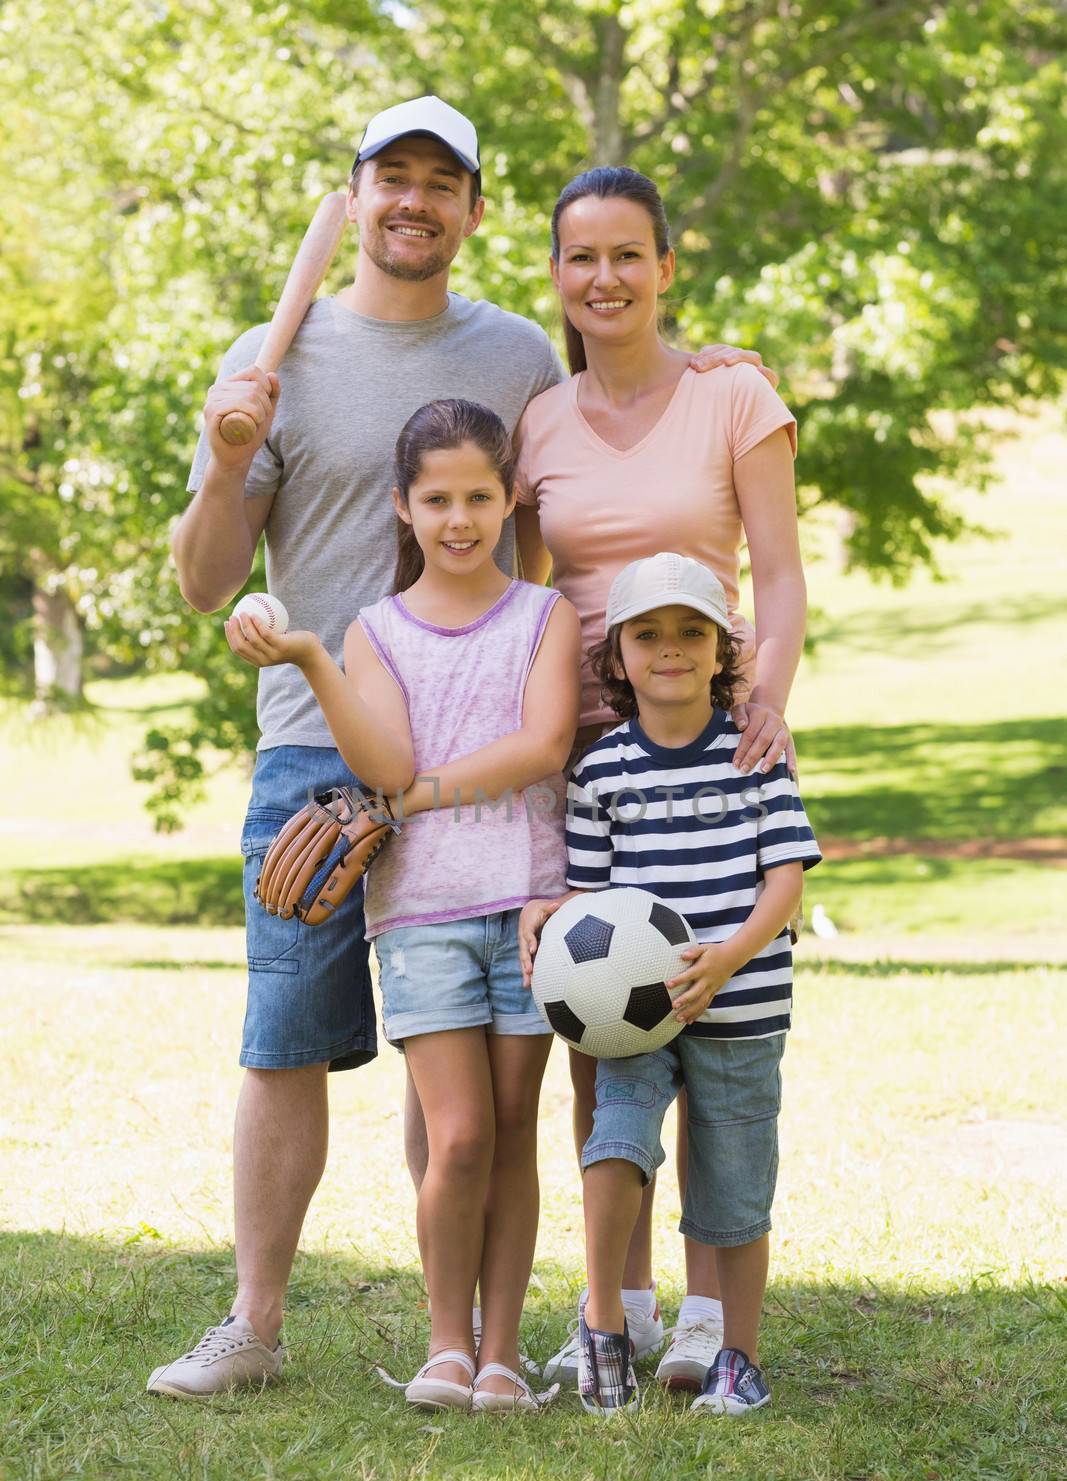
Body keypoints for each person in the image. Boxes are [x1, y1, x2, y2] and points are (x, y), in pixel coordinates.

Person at [150, 89, 771, 1400]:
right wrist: (223, 465)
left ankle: (472, 1339)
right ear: (357, 193)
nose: (413, 199)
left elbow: (605, 428)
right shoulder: (272, 356)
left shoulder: (511, 362)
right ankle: (254, 1323)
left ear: (473, 214)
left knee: (465, 1086)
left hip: (492, 775)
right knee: (283, 1037)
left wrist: (710, 361)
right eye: (391, 176)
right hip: (318, 753)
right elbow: (204, 586)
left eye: (442, 181)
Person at [510, 165, 807, 1391]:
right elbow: (525, 599)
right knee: (606, 1032)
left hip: (710, 732)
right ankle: (614, 1306)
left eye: (628, 254)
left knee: (718, 1045)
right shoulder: (538, 419)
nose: (605, 279)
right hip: (580, 755)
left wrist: (767, 699)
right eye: (581, 258)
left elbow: (779, 578)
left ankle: (703, 1318)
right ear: (556, 276)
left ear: (666, 265)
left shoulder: (733, 395)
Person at [227, 399, 579, 1410]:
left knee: (513, 1128)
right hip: (418, 913)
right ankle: (444, 1346)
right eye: (438, 499)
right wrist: (309, 660)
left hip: (526, 907)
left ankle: (501, 1350)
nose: (460, 518)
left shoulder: (541, 617)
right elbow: (382, 762)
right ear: (403, 506)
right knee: (458, 1133)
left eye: (478, 495)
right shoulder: (373, 633)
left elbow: (540, 747)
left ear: (509, 496)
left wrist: (419, 796)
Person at [519, 552, 820, 1414]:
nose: (670, 649)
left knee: (732, 1180)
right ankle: (606, 1322)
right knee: (616, 1142)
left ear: (723, 647)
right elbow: (591, 894)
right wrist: (548, 911)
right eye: (646, 634)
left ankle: (738, 1356)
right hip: (630, 1017)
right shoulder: (602, 770)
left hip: (744, 1003)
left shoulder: (754, 752)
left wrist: (727, 956)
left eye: (692, 632)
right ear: (615, 657)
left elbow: (787, 877)